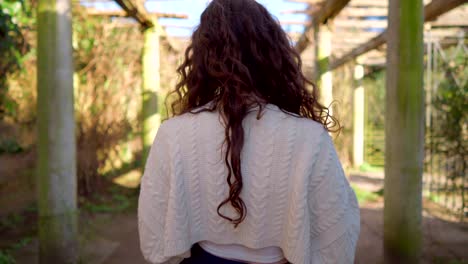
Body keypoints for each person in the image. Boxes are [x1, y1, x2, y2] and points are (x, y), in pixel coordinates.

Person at [138, 0, 360, 263]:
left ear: (202, 57)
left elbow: (153, 227)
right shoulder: (310, 137)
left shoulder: (173, 133)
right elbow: (338, 232)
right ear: (274, 54)